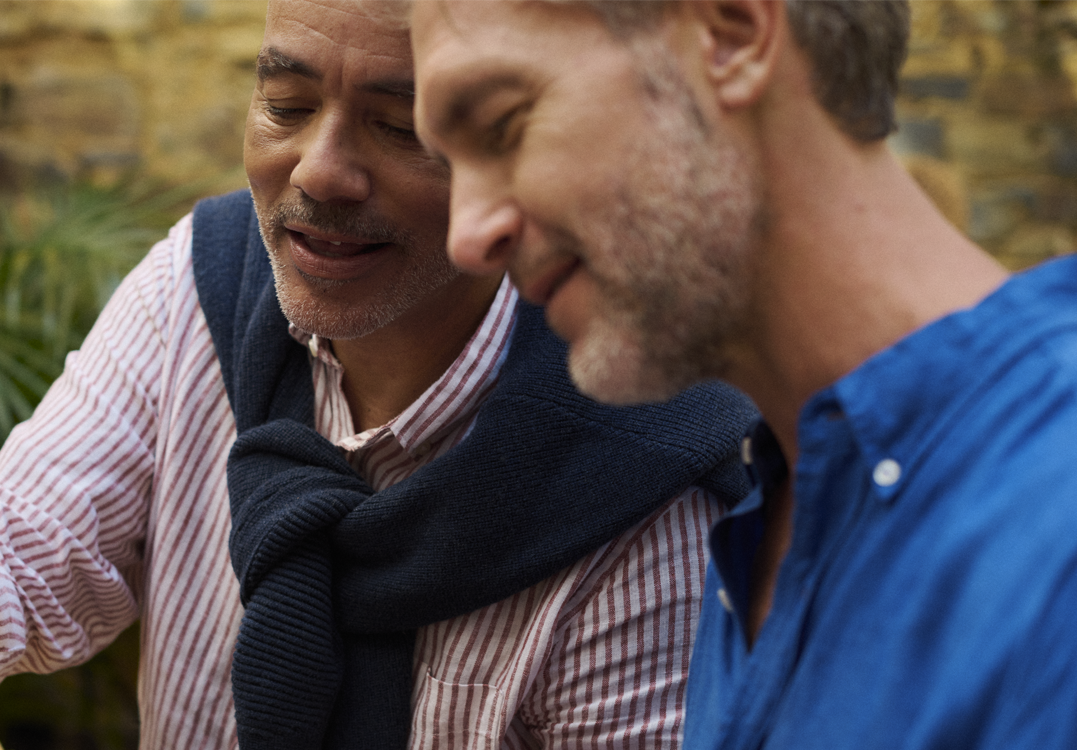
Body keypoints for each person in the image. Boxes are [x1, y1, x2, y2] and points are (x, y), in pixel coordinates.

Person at [0, 0, 757, 747]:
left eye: (397, 124)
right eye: (286, 103)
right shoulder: (212, 285)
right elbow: (35, 537)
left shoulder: (641, 485)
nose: (318, 170)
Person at [411, 0, 1077, 747]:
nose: (467, 236)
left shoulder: (1052, 524)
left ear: (731, 33)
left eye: (504, 126)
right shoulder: (771, 517)